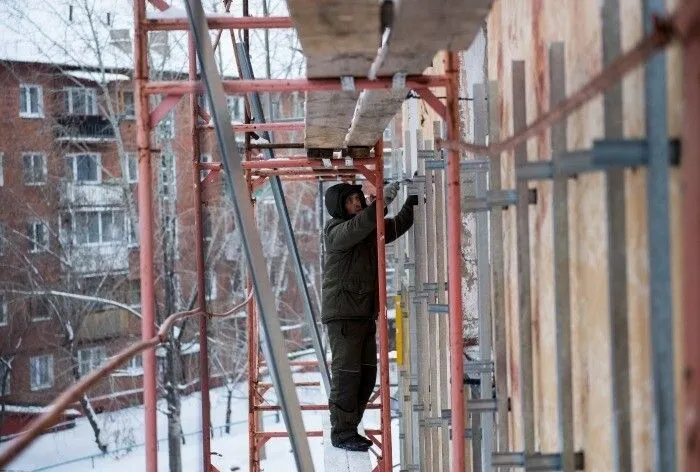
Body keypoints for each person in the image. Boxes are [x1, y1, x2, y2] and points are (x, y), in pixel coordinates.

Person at [322, 181, 417, 451]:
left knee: (366, 375)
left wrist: (412, 203)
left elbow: (392, 228)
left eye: (357, 198)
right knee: (347, 375)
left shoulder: (364, 229)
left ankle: (350, 426)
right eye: (351, 200)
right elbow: (361, 225)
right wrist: (380, 203)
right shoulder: (336, 231)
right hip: (343, 315)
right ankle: (341, 432)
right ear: (339, 207)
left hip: (362, 314)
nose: (356, 203)